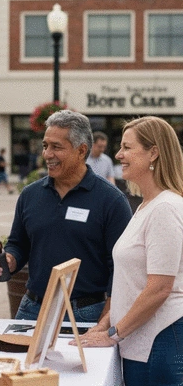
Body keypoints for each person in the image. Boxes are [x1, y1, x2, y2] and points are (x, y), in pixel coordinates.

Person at [0, 110, 132, 322]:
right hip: (32, 308)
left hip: (85, 312)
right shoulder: (30, 195)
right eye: (45, 146)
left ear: (81, 150)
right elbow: (18, 244)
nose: (47, 154)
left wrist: (107, 317)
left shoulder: (112, 201)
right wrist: (9, 259)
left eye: (56, 147)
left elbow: (120, 267)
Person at [70, 116, 183, 386]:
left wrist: (113, 332)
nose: (118, 154)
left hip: (157, 344)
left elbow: (159, 287)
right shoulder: (148, 205)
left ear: (153, 152)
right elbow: (132, 282)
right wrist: (106, 322)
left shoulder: (165, 208)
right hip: (139, 342)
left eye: (127, 148)